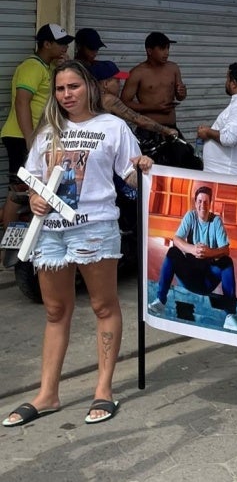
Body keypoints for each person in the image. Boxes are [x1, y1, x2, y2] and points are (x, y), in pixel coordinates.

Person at [2, 61, 152, 427]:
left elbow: (131, 177)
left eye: (74, 86)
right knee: (55, 311)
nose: (67, 94)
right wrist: (35, 199)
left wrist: (144, 168)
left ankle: (103, 389)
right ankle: (47, 394)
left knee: (103, 305)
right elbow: (33, 180)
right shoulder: (48, 131)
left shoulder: (113, 127)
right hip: (50, 231)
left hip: (94, 228)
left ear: (89, 87)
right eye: (60, 89)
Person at [2, 24, 73, 231]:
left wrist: (65, 65)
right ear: (46, 44)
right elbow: (21, 102)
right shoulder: (32, 67)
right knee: (19, 191)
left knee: (32, 189)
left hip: (36, 136)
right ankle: (8, 244)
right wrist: (29, 139)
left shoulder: (48, 67)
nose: (65, 47)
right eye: (61, 43)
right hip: (21, 136)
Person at [148, 186, 237, 333]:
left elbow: (226, 250)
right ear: (195, 202)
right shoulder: (190, 216)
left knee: (227, 262)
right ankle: (160, 301)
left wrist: (209, 252)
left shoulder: (216, 221)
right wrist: (192, 249)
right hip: (189, 275)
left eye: (205, 202)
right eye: (199, 201)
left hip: (207, 279)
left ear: (210, 204)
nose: (202, 205)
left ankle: (230, 315)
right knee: (173, 251)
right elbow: (176, 239)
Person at [197, 62, 237, 177]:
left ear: (234, 84)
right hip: (231, 172)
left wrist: (207, 132)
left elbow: (229, 138)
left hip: (230, 174)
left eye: (227, 79)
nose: (226, 83)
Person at [120, 32, 187, 138]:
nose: (166, 53)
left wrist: (182, 93)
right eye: (162, 48)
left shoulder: (173, 68)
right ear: (149, 51)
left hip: (171, 128)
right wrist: (154, 108)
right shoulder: (137, 73)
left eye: (168, 48)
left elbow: (180, 97)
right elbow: (124, 103)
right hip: (148, 130)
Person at [91, 60, 179, 139]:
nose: (120, 85)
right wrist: (166, 130)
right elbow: (139, 120)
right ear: (106, 84)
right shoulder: (109, 100)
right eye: (117, 81)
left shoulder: (90, 98)